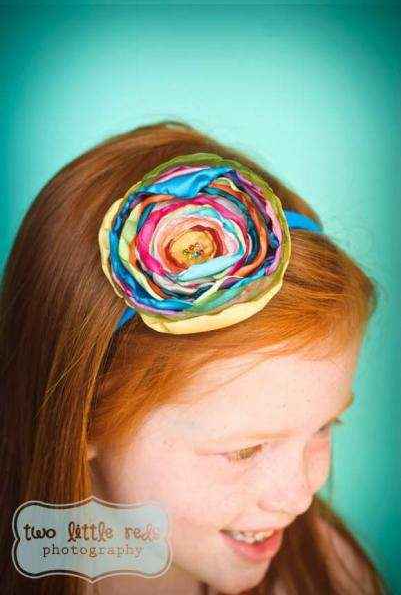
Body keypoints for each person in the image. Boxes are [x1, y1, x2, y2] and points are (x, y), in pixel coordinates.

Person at [0, 120, 389, 595]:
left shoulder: (330, 574)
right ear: (87, 418)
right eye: (244, 450)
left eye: (324, 427)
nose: (298, 498)